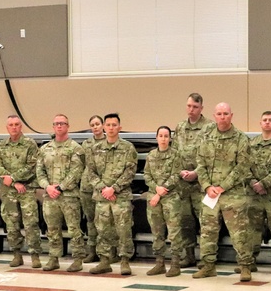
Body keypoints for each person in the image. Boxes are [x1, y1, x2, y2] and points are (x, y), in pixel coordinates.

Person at [193, 102, 255, 281]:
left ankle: (245, 266)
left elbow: (243, 167)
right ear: (214, 115)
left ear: (231, 115)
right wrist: (206, 186)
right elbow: (201, 164)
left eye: (226, 114)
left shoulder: (240, 138)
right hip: (211, 194)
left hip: (232, 194)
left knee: (239, 232)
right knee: (207, 231)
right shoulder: (206, 137)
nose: (222, 117)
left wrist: (223, 186)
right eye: (219, 114)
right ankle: (208, 265)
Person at [86, 113, 138, 276]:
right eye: (108, 125)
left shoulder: (128, 147)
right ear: (103, 127)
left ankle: (124, 261)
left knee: (123, 230)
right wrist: (104, 189)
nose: (110, 128)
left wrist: (114, 188)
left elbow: (130, 171)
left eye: (114, 125)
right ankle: (104, 261)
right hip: (102, 197)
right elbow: (91, 172)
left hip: (120, 197)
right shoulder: (95, 149)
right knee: (102, 230)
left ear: (119, 128)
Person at [37, 114, 87, 272]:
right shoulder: (45, 149)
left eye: (62, 123)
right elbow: (39, 171)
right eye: (56, 124)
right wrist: (47, 187)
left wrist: (60, 187)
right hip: (49, 196)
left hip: (69, 196)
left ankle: (78, 258)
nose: (59, 126)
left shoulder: (75, 148)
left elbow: (76, 172)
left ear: (68, 126)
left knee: (74, 229)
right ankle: (53, 258)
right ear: (53, 126)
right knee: (52, 229)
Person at [0, 115, 42, 268]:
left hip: (26, 189)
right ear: (7, 128)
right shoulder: (2, 146)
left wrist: (14, 177)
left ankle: (35, 255)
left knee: (30, 223)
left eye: (16, 124)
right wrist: (14, 183)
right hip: (9, 191)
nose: (14, 127)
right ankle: (16, 254)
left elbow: (32, 166)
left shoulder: (30, 144)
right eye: (11, 125)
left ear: (21, 127)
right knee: (11, 224)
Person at [173, 93, 212, 267]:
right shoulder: (180, 127)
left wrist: (196, 172)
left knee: (206, 222)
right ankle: (189, 255)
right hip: (183, 184)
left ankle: (206, 257)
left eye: (195, 107)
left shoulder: (210, 127)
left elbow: (211, 155)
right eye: (189, 106)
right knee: (185, 221)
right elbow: (174, 152)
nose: (191, 110)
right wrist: (180, 171)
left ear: (201, 108)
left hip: (201, 183)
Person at [144, 126, 184, 276]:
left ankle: (175, 264)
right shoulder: (151, 155)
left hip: (170, 198)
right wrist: (156, 189)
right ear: (156, 138)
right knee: (157, 232)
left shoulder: (175, 155)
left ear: (170, 138)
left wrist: (160, 192)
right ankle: (159, 263)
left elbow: (175, 176)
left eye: (166, 136)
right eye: (160, 135)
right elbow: (147, 175)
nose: (163, 138)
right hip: (154, 198)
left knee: (174, 232)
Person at [247, 111, 271, 270]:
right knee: (252, 229)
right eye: (264, 120)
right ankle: (249, 261)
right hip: (254, 194)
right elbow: (243, 166)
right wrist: (254, 182)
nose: (267, 122)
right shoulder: (251, 144)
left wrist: (264, 183)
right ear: (260, 123)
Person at [79, 114, 105, 263]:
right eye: (92, 125)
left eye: (97, 124)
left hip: (102, 186)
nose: (95, 127)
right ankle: (92, 250)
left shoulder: (108, 142)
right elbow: (82, 164)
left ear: (102, 125)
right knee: (90, 220)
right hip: (87, 187)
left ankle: (106, 252)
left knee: (104, 220)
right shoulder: (86, 144)